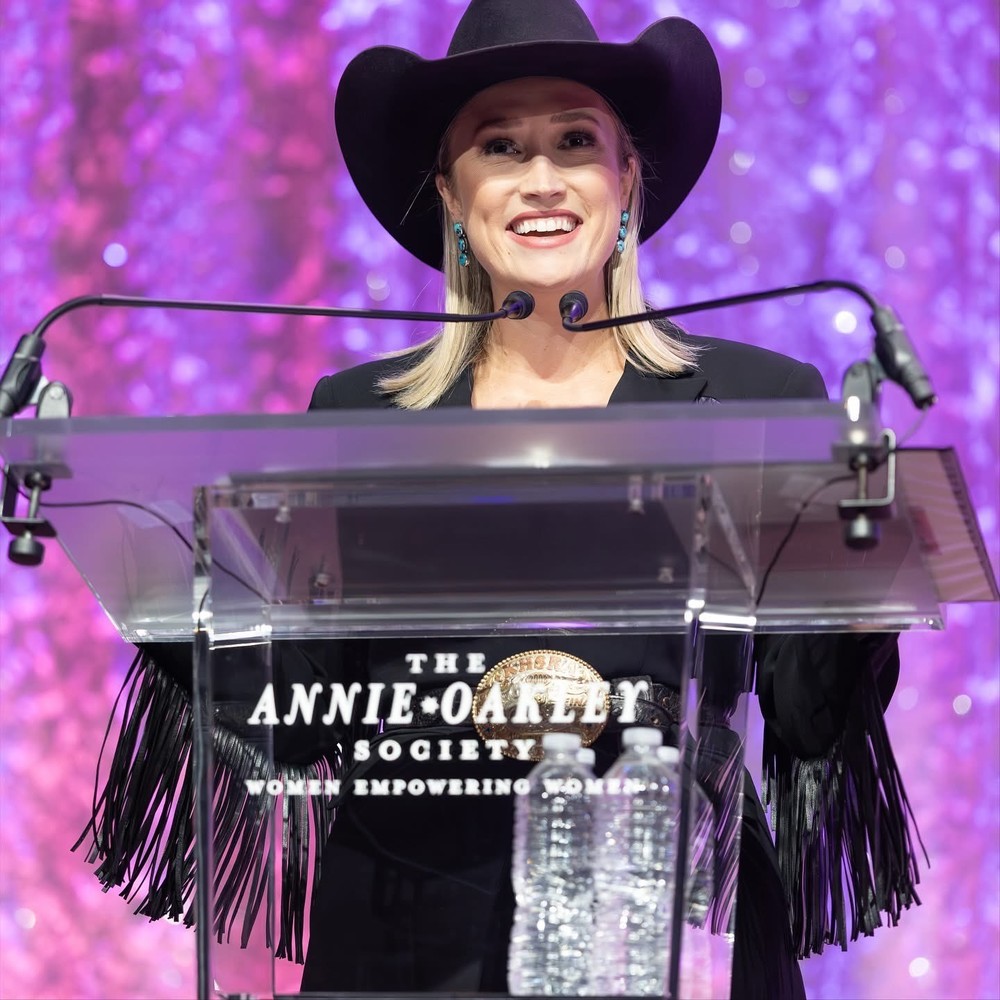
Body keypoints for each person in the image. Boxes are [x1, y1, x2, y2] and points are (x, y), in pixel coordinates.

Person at [81, 1, 921, 997]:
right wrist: (158, 576)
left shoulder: (756, 400)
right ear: (450, 193)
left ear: (625, 182)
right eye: (498, 146)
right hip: (405, 939)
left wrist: (863, 600)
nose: (540, 179)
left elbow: (801, 717)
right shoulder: (355, 416)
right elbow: (294, 718)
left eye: (575, 141)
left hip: (668, 936)